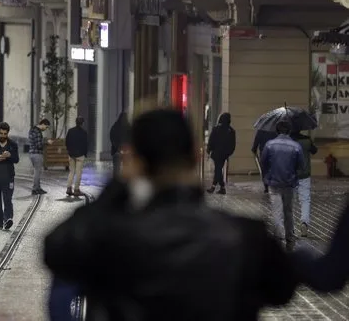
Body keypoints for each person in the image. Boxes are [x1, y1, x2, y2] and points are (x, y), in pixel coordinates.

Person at [44, 108, 297, 320]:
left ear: (135, 161)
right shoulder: (246, 239)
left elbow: (56, 248)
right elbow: (285, 288)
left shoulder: (104, 237)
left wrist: (117, 187)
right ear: (195, 156)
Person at [261, 119, 304, 251]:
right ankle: (290, 238)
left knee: (276, 211)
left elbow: (264, 162)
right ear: (289, 131)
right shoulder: (296, 146)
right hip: (290, 183)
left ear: (277, 130)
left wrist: (268, 175)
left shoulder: (269, 145)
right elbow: (301, 166)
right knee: (289, 212)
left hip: (274, 182)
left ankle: (278, 238)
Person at [290, 128, 317, 238]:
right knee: (305, 199)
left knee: (290, 200)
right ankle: (304, 222)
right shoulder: (306, 140)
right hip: (305, 175)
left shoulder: (288, 141)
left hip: (291, 175)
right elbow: (314, 151)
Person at [206, 112, 236, 195]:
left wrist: (209, 149)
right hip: (224, 154)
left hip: (216, 153)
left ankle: (220, 186)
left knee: (218, 169)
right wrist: (229, 153)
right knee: (218, 169)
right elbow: (233, 145)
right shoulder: (231, 131)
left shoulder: (216, 129)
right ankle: (217, 187)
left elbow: (211, 140)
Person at [65, 117, 88, 197]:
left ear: (76, 122)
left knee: (71, 172)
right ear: (82, 123)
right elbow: (86, 144)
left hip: (71, 155)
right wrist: (85, 153)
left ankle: (68, 188)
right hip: (80, 155)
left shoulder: (70, 131)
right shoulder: (84, 133)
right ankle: (76, 189)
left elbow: (67, 142)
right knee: (78, 172)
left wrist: (69, 151)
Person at [28, 118, 51, 195]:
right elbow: (39, 145)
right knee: (37, 172)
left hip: (32, 153)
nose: (46, 129)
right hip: (37, 154)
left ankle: (38, 188)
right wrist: (46, 142)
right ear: (43, 124)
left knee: (37, 171)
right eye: (46, 127)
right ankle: (35, 189)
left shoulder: (32, 130)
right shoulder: (38, 132)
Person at [252, 129, 278, 194]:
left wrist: (254, 150)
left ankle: (266, 187)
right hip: (274, 152)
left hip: (264, 152)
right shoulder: (275, 131)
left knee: (264, 170)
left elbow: (255, 143)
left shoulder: (260, 131)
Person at [109, 112, 129, 178]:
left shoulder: (115, 127)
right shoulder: (128, 127)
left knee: (116, 170)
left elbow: (112, 138)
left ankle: (116, 184)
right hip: (126, 151)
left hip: (116, 151)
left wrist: (117, 148)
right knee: (126, 168)